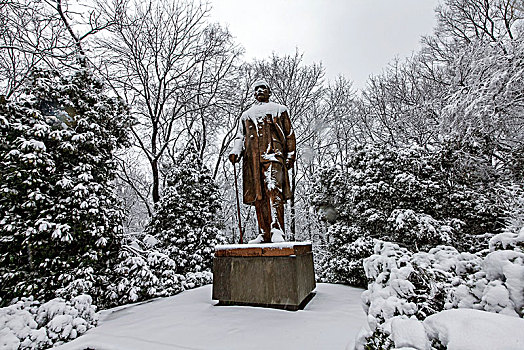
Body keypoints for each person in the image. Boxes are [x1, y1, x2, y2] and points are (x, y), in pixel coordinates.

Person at [229, 80, 296, 243]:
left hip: (273, 156)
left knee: (273, 190)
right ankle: (264, 232)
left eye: (263, 88)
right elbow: (240, 136)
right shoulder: (246, 115)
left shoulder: (280, 110)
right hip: (253, 159)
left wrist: (290, 155)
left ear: (269, 92)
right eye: (257, 89)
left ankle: (277, 230)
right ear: (254, 94)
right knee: (259, 196)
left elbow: (289, 134)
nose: (260, 91)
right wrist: (236, 151)